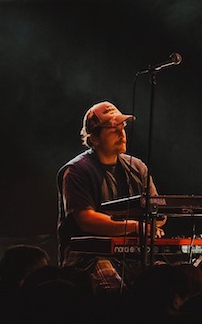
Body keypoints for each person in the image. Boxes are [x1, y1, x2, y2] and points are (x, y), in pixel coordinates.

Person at [56, 101, 166, 290]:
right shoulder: (76, 171)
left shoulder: (138, 167)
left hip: (134, 256)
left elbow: (160, 213)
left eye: (122, 127)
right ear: (94, 138)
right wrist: (135, 227)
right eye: (113, 129)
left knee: (170, 282)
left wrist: (152, 225)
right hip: (88, 258)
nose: (121, 133)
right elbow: (86, 219)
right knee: (112, 288)